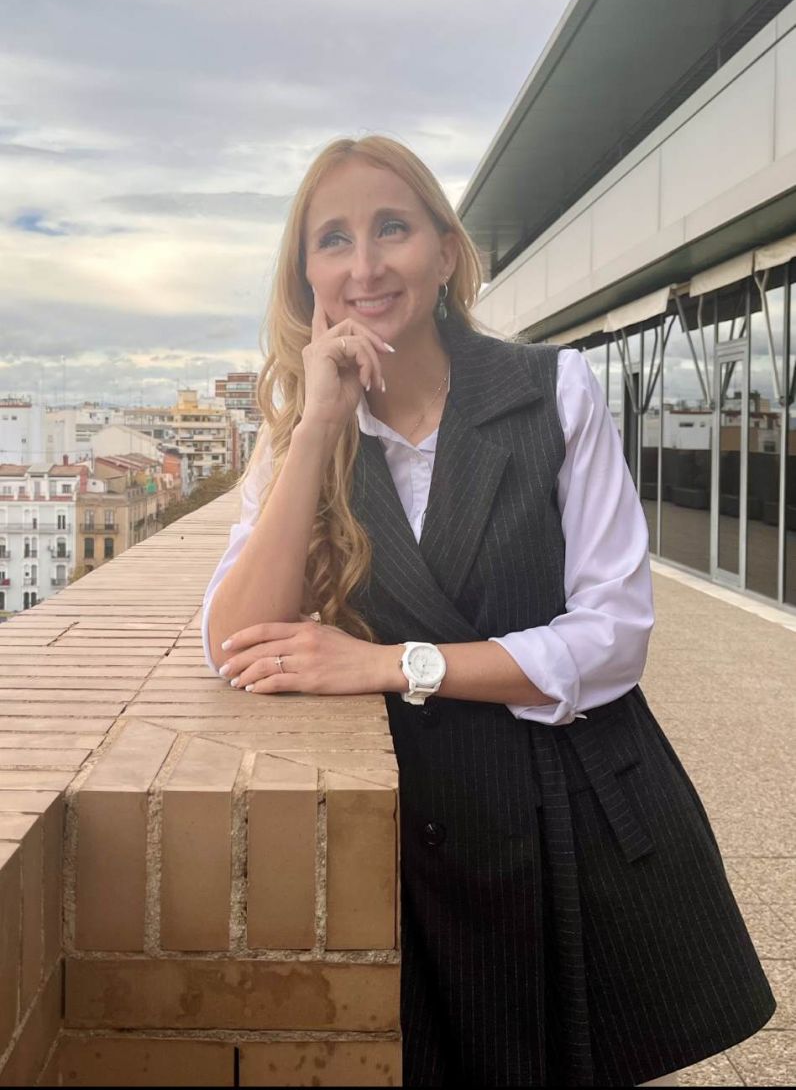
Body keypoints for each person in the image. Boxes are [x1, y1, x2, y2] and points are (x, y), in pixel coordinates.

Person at [201, 134, 776, 1087]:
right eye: (333, 240)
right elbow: (234, 645)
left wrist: (394, 664)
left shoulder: (554, 390)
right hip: (408, 832)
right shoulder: (305, 428)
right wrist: (317, 429)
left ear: (445, 250)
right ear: (306, 278)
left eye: (393, 227)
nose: (367, 264)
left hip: (565, 816)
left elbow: (615, 633)